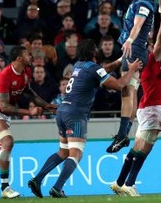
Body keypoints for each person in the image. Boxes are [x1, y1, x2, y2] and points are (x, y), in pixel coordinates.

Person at [27, 39, 141, 198]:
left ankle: (37, 180)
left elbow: (102, 70)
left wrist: (119, 60)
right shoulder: (93, 69)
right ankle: (57, 188)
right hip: (75, 114)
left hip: (62, 110)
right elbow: (119, 85)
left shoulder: (78, 66)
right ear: (94, 52)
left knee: (63, 151)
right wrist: (131, 70)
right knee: (76, 153)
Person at [0, 46, 56, 200]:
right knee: (8, 141)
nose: (31, 56)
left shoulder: (26, 71)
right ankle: (5, 188)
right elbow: (4, 106)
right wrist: (30, 112)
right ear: (19, 58)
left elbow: (28, 92)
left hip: (4, 114)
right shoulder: (4, 75)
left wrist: (45, 105)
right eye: (27, 54)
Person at [110, 5, 161, 197]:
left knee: (141, 147)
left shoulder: (149, 61)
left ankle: (120, 182)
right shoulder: (152, 59)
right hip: (151, 109)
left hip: (150, 108)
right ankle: (128, 183)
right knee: (143, 149)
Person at [106, 0, 159, 154]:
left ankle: (122, 135)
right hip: (136, 49)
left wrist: (128, 39)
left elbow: (137, 26)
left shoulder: (144, 4)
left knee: (127, 91)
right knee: (133, 89)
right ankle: (124, 133)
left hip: (134, 48)